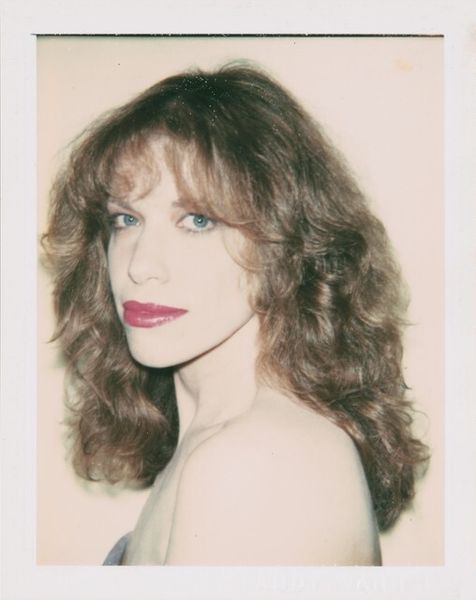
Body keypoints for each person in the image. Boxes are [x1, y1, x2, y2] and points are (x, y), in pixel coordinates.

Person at [42, 63, 428, 566]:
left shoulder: (252, 462)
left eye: (197, 220)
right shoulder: (214, 444)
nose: (140, 266)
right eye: (126, 219)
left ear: (285, 243)